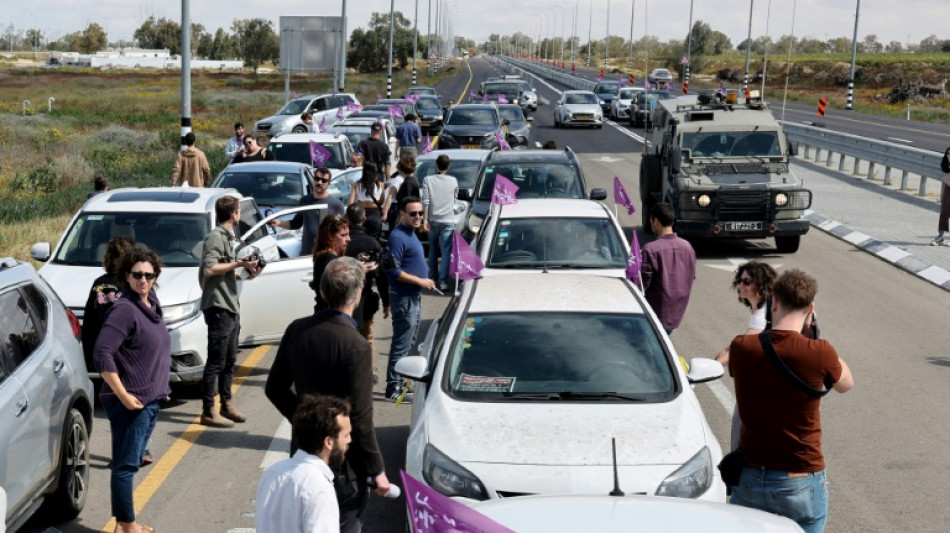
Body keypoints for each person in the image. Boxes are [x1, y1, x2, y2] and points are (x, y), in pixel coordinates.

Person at [265, 257, 392, 533]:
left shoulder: (297, 329)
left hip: (303, 453)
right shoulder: (355, 344)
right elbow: (359, 415)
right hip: (343, 465)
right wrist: (377, 469)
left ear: (323, 291)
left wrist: (307, 422)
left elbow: (274, 388)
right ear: (357, 294)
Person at [728, 269, 854, 533]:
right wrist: (814, 336)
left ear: (773, 302)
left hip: (750, 476)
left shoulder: (742, 347)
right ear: (811, 309)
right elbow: (845, 384)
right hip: (798, 479)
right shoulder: (820, 352)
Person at [93, 245, 171, 533]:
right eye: (137, 275)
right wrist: (123, 396)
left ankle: (124, 524)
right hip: (132, 401)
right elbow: (103, 354)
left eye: (149, 275)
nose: (143, 280)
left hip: (150, 398)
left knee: (133, 462)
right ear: (126, 276)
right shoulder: (124, 309)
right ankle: (127, 526)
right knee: (125, 467)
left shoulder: (150, 301)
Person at [82, 235, 156, 467]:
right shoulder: (113, 286)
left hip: (117, 354)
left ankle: (137, 448)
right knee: (125, 404)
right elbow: (107, 318)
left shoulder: (107, 285)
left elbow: (93, 323)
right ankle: (131, 451)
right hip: (123, 354)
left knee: (131, 403)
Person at [198, 196, 262, 427]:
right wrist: (238, 265)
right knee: (216, 361)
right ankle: (208, 410)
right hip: (218, 306)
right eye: (239, 211)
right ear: (233, 214)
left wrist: (245, 270)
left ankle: (227, 404)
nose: (240, 215)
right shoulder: (215, 237)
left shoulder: (227, 238)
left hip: (230, 305)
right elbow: (210, 269)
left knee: (229, 360)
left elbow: (223, 271)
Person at [256, 395, 352, 533]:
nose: (349, 440)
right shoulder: (319, 489)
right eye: (346, 435)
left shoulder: (272, 472)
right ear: (329, 442)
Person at [714, 261, 778, 451]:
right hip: (764, 383)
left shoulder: (763, 312)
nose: (741, 285)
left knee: (741, 437)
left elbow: (743, 344)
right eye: (740, 281)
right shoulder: (761, 310)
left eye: (747, 281)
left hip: (761, 388)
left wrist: (717, 363)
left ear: (761, 284)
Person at [384, 196, 436, 401]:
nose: (417, 217)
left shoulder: (411, 233)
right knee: (402, 343)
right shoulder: (397, 236)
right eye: (413, 213)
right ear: (402, 214)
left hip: (413, 297)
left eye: (420, 213)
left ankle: (403, 382)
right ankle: (393, 387)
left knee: (410, 340)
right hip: (404, 299)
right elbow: (393, 270)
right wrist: (420, 281)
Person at [344, 205, 390, 382]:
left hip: (344, 298)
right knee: (367, 336)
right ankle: (368, 371)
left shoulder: (342, 242)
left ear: (347, 220)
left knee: (347, 336)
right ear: (364, 220)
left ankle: (349, 370)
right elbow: (381, 276)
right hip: (365, 297)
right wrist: (386, 302)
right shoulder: (372, 244)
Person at [640, 202, 696, 335]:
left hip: (654, 314)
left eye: (652, 221)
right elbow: (691, 276)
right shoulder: (687, 246)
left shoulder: (650, 249)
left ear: (656, 222)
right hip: (676, 314)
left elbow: (642, 285)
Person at [270, 166, 346, 256]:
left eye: (323, 180)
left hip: (327, 255)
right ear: (313, 180)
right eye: (317, 179)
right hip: (307, 254)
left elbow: (344, 232)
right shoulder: (304, 201)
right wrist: (279, 223)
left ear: (328, 184)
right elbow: (296, 223)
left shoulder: (336, 205)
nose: (319, 182)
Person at [421, 154, 459, 291]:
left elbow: (425, 201)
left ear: (436, 165)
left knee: (432, 249)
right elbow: (455, 198)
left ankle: (432, 277)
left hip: (432, 219)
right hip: (448, 219)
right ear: (448, 166)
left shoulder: (428, 180)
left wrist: (424, 219)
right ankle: (443, 281)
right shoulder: (453, 180)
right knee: (446, 251)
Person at [311, 213, 352, 312]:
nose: (349, 239)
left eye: (348, 234)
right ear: (330, 236)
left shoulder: (327, 257)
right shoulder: (328, 261)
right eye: (343, 235)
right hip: (329, 317)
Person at [347, 162, 386, 239]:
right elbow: (381, 202)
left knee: (359, 239)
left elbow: (350, 204)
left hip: (360, 214)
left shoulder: (357, 184)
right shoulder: (381, 185)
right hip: (375, 216)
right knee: (373, 241)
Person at [383, 155, 420, 232]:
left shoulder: (400, 180)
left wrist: (385, 213)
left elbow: (390, 196)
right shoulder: (413, 180)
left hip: (400, 212)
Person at [931, 146, 950, 245]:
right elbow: (944, 166)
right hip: (948, 184)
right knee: (944, 210)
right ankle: (940, 237)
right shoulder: (949, 150)